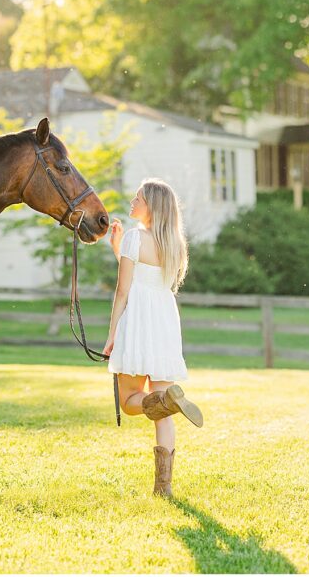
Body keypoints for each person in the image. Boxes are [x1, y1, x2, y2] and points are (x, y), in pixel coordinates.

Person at [103, 178, 203, 498]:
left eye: (139, 198)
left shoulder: (135, 238)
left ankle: (163, 400)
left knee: (130, 402)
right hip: (163, 323)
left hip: (136, 322)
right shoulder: (174, 243)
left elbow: (124, 290)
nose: (133, 201)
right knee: (163, 412)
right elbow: (148, 279)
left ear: (152, 206)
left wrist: (112, 334)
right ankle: (164, 487)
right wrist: (119, 250)